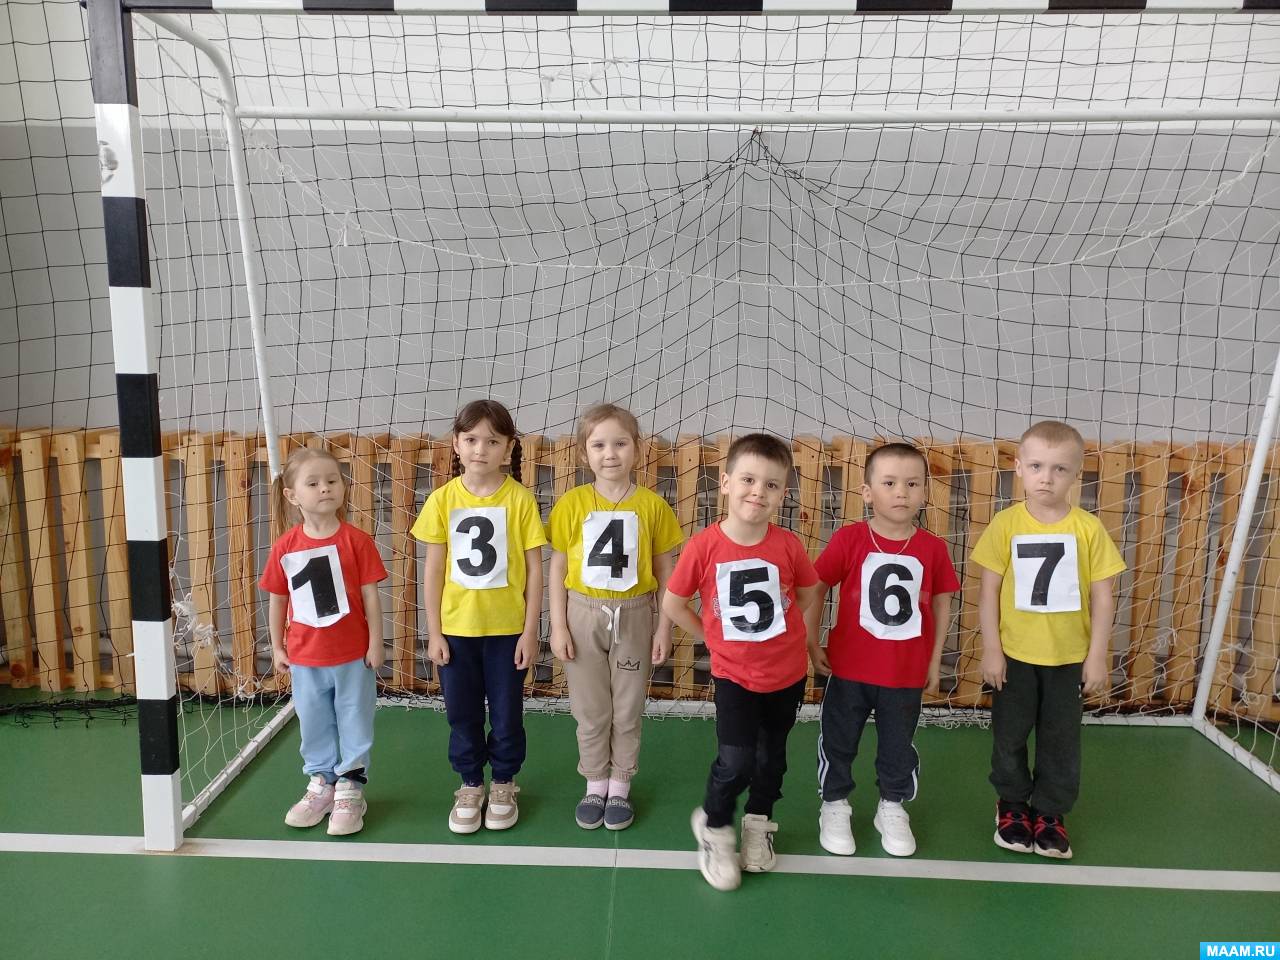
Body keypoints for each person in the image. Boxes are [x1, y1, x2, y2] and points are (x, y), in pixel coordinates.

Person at [663, 433, 822, 891]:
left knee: (772, 760)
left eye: (771, 485)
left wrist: (787, 631)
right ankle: (714, 826)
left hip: (786, 675)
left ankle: (758, 821)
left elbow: (808, 592)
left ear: (783, 493)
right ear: (726, 483)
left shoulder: (788, 545)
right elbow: (673, 604)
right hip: (734, 676)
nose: (758, 491)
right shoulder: (704, 546)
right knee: (736, 760)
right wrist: (712, 639)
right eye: (749, 480)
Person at [973, 421, 1125, 859]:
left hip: (1067, 659)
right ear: (1018, 467)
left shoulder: (1088, 529)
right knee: (1009, 736)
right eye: (1037, 466)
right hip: (1015, 657)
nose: (1046, 478)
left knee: (1061, 741)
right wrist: (992, 649)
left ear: (1077, 474)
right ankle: (1012, 805)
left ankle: (1051, 812)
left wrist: (1097, 656)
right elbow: (988, 591)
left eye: (1060, 469)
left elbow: (1103, 596)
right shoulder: (1005, 524)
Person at [808, 442, 959, 858]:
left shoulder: (932, 548)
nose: (901, 493)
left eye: (912, 484)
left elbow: (942, 603)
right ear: (867, 491)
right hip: (849, 670)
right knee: (839, 740)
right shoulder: (849, 539)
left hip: (904, 673)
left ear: (925, 491)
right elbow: (817, 587)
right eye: (889, 483)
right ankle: (834, 803)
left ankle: (892, 805)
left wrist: (934, 660)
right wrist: (811, 640)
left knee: (898, 745)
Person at [547, 403, 684, 830]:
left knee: (626, 707)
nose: (610, 454)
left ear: (637, 449)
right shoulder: (571, 504)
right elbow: (557, 566)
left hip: (635, 614)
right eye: (599, 445)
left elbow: (666, 571)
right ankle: (595, 782)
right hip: (582, 614)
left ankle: (620, 784)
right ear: (583, 453)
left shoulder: (652, 506)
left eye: (620, 443)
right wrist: (558, 625)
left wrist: (663, 626)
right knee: (591, 708)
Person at [413, 400, 547, 834]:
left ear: (508, 448)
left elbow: (535, 570)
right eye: (471, 439)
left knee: (507, 713)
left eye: (492, 441)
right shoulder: (442, 500)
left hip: (507, 632)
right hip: (456, 631)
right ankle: (470, 783)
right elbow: (433, 570)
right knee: (462, 713)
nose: (480, 449)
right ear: (456, 443)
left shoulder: (520, 499)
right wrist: (434, 632)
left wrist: (530, 631)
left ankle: (504, 782)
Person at [260, 446, 387, 837]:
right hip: (305, 657)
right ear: (291, 495)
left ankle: (351, 786)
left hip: (352, 656)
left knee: (354, 717)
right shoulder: (285, 547)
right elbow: (277, 599)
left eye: (332, 480)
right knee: (313, 720)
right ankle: (322, 782)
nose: (325, 489)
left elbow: (370, 597)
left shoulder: (357, 541)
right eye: (313, 483)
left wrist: (376, 642)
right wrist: (277, 646)